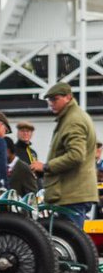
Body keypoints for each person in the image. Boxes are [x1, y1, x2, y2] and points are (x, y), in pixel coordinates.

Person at [29, 82, 99, 222]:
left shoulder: (73, 120)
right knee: (69, 239)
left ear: (68, 97)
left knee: (69, 241)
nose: (51, 103)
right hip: (74, 193)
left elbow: (76, 155)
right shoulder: (73, 117)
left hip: (72, 194)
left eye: (55, 99)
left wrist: (45, 166)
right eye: (49, 100)